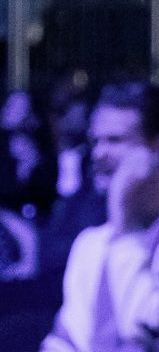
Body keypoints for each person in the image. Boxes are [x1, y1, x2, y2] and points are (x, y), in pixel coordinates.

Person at [41, 82, 159, 351]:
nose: (98, 154)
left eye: (115, 140)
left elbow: (140, 330)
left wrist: (126, 230)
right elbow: (65, 341)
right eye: (95, 141)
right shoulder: (91, 244)